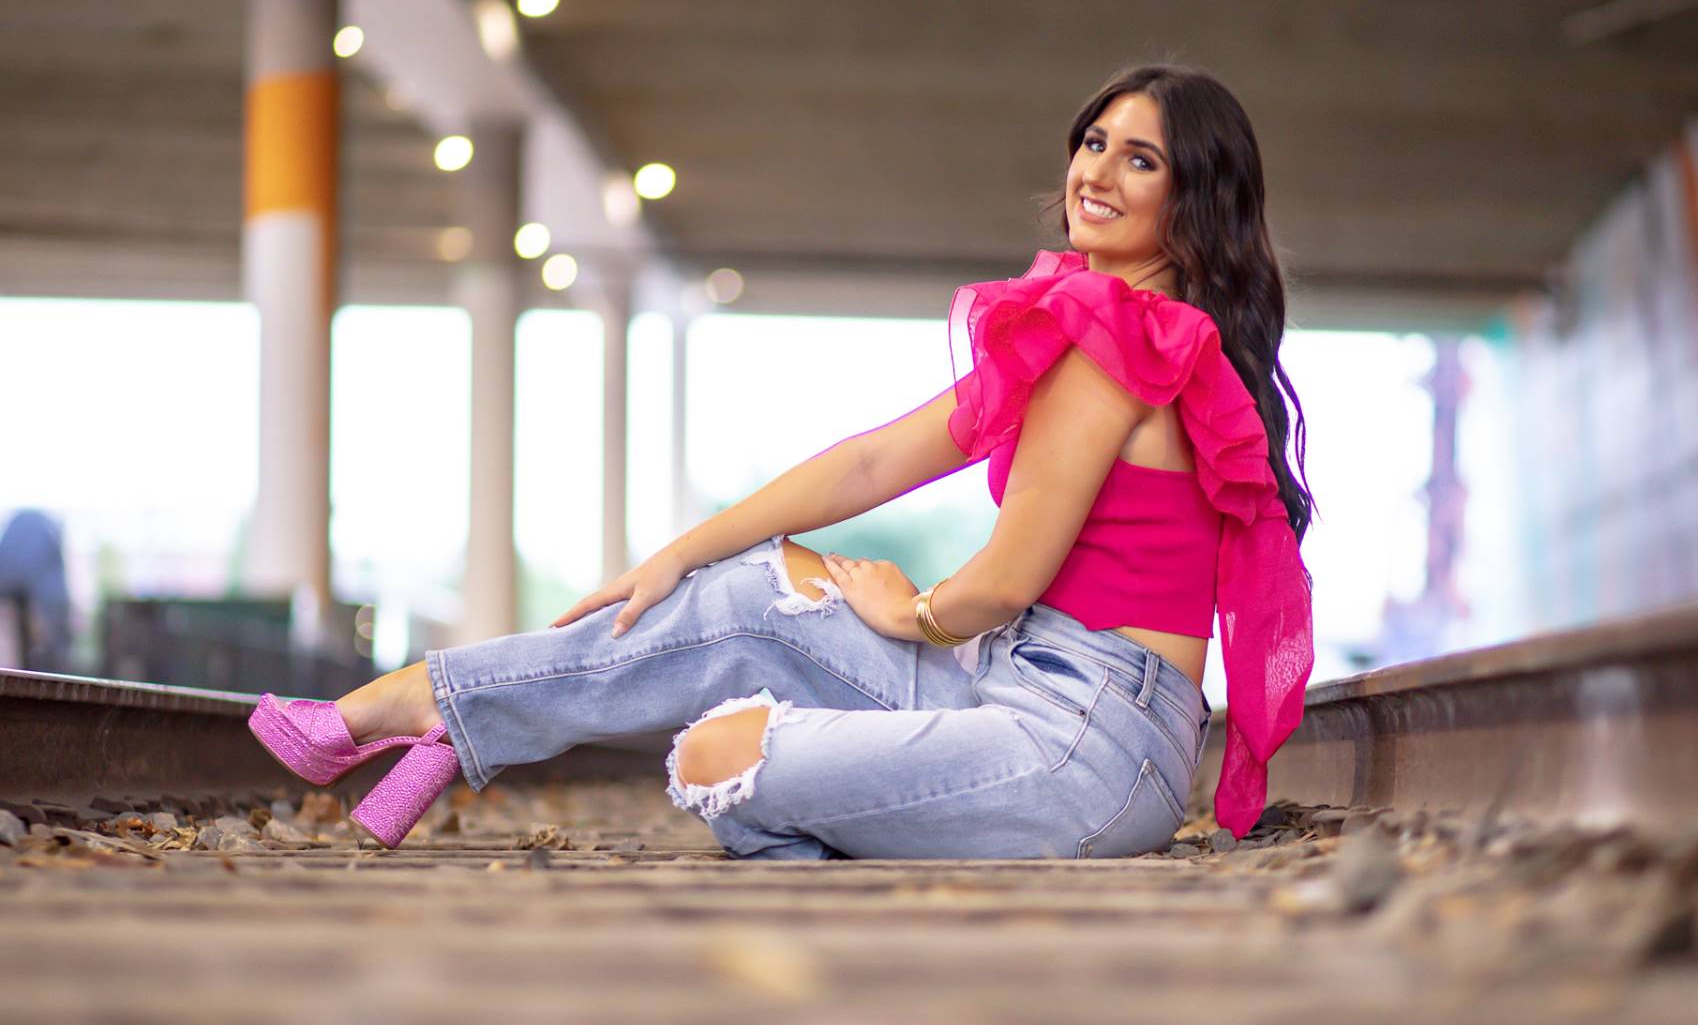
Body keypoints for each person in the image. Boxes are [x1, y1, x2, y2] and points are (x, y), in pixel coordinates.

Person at [248, 62, 1315, 858]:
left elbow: (1005, 581)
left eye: (1143, 159)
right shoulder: (1098, 328)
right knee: (758, 590)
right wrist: (677, 551)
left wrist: (914, 612)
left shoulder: (1123, 351)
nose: (1099, 171)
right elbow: (872, 463)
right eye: (1095, 141)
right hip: (1027, 682)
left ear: (1195, 199)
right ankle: (434, 707)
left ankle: (430, 715)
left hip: (1088, 739)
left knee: (721, 754)